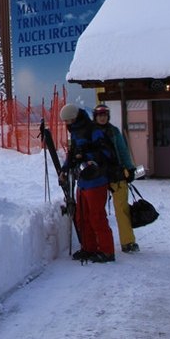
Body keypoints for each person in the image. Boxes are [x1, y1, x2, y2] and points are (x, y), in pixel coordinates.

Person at [57, 103, 116, 263]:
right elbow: (73, 153)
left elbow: (104, 152)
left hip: (96, 180)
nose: (66, 124)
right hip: (82, 180)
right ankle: (89, 248)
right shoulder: (76, 131)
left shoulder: (93, 129)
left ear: (74, 118)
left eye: (68, 120)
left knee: (97, 216)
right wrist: (65, 168)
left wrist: (86, 156)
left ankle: (107, 251)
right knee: (82, 216)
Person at [93, 104, 139, 253]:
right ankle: (99, 241)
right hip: (98, 174)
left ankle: (128, 241)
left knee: (122, 208)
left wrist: (129, 168)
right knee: (98, 210)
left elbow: (122, 151)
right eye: (100, 115)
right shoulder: (90, 132)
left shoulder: (114, 132)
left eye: (105, 115)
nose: (102, 117)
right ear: (95, 116)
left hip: (115, 173)